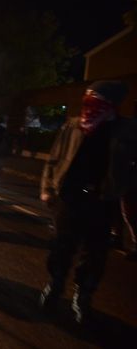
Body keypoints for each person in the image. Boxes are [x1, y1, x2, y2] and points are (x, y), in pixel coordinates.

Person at [39, 81, 137, 324]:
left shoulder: (127, 130)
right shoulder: (72, 126)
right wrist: (47, 189)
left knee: (94, 254)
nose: (88, 105)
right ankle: (56, 285)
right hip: (69, 197)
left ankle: (82, 296)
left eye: (95, 100)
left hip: (102, 201)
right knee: (62, 247)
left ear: (109, 104)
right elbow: (54, 159)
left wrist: (123, 187)